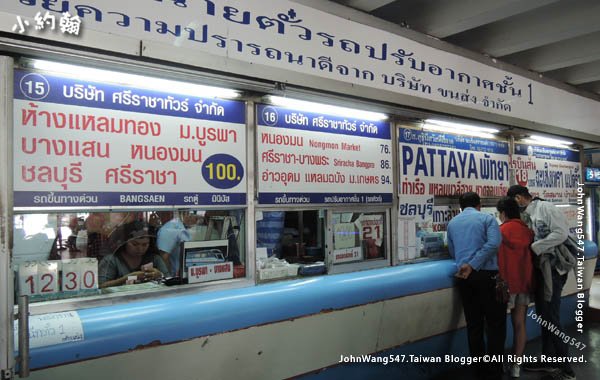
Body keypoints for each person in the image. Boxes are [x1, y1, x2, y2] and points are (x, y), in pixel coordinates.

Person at [507, 185, 576, 380]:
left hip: (553, 270)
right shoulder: (528, 215)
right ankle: (548, 359)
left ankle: (566, 368)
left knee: (551, 316)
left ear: (519, 198)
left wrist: (535, 247)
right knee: (544, 315)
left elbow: (560, 233)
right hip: (542, 271)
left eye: (514, 201)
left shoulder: (546, 208)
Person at [447, 192, 505, 380]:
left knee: (474, 325)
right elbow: (494, 244)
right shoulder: (487, 219)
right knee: (495, 324)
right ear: (479, 204)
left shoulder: (452, 223)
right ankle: (495, 372)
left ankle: (478, 372)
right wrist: (474, 264)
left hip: (464, 278)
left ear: (461, 207)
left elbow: (452, 250)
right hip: (487, 276)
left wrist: (468, 264)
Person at [496, 197, 535, 378]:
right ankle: (516, 365)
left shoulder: (500, 231)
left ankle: (499, 364)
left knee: (499, 325)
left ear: (503, 213)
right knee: (520, 324)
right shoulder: (528, 232)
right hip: (525, 283)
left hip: (505, 285)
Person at [99, 220, 169, 288]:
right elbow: (101, 286)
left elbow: (170, 280)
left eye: (145, 244)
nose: (140, 249)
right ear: (125, 242)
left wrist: (160, 275)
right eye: (135, 244)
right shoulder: (111, 261)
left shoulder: (155, 259)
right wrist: (125, 279)